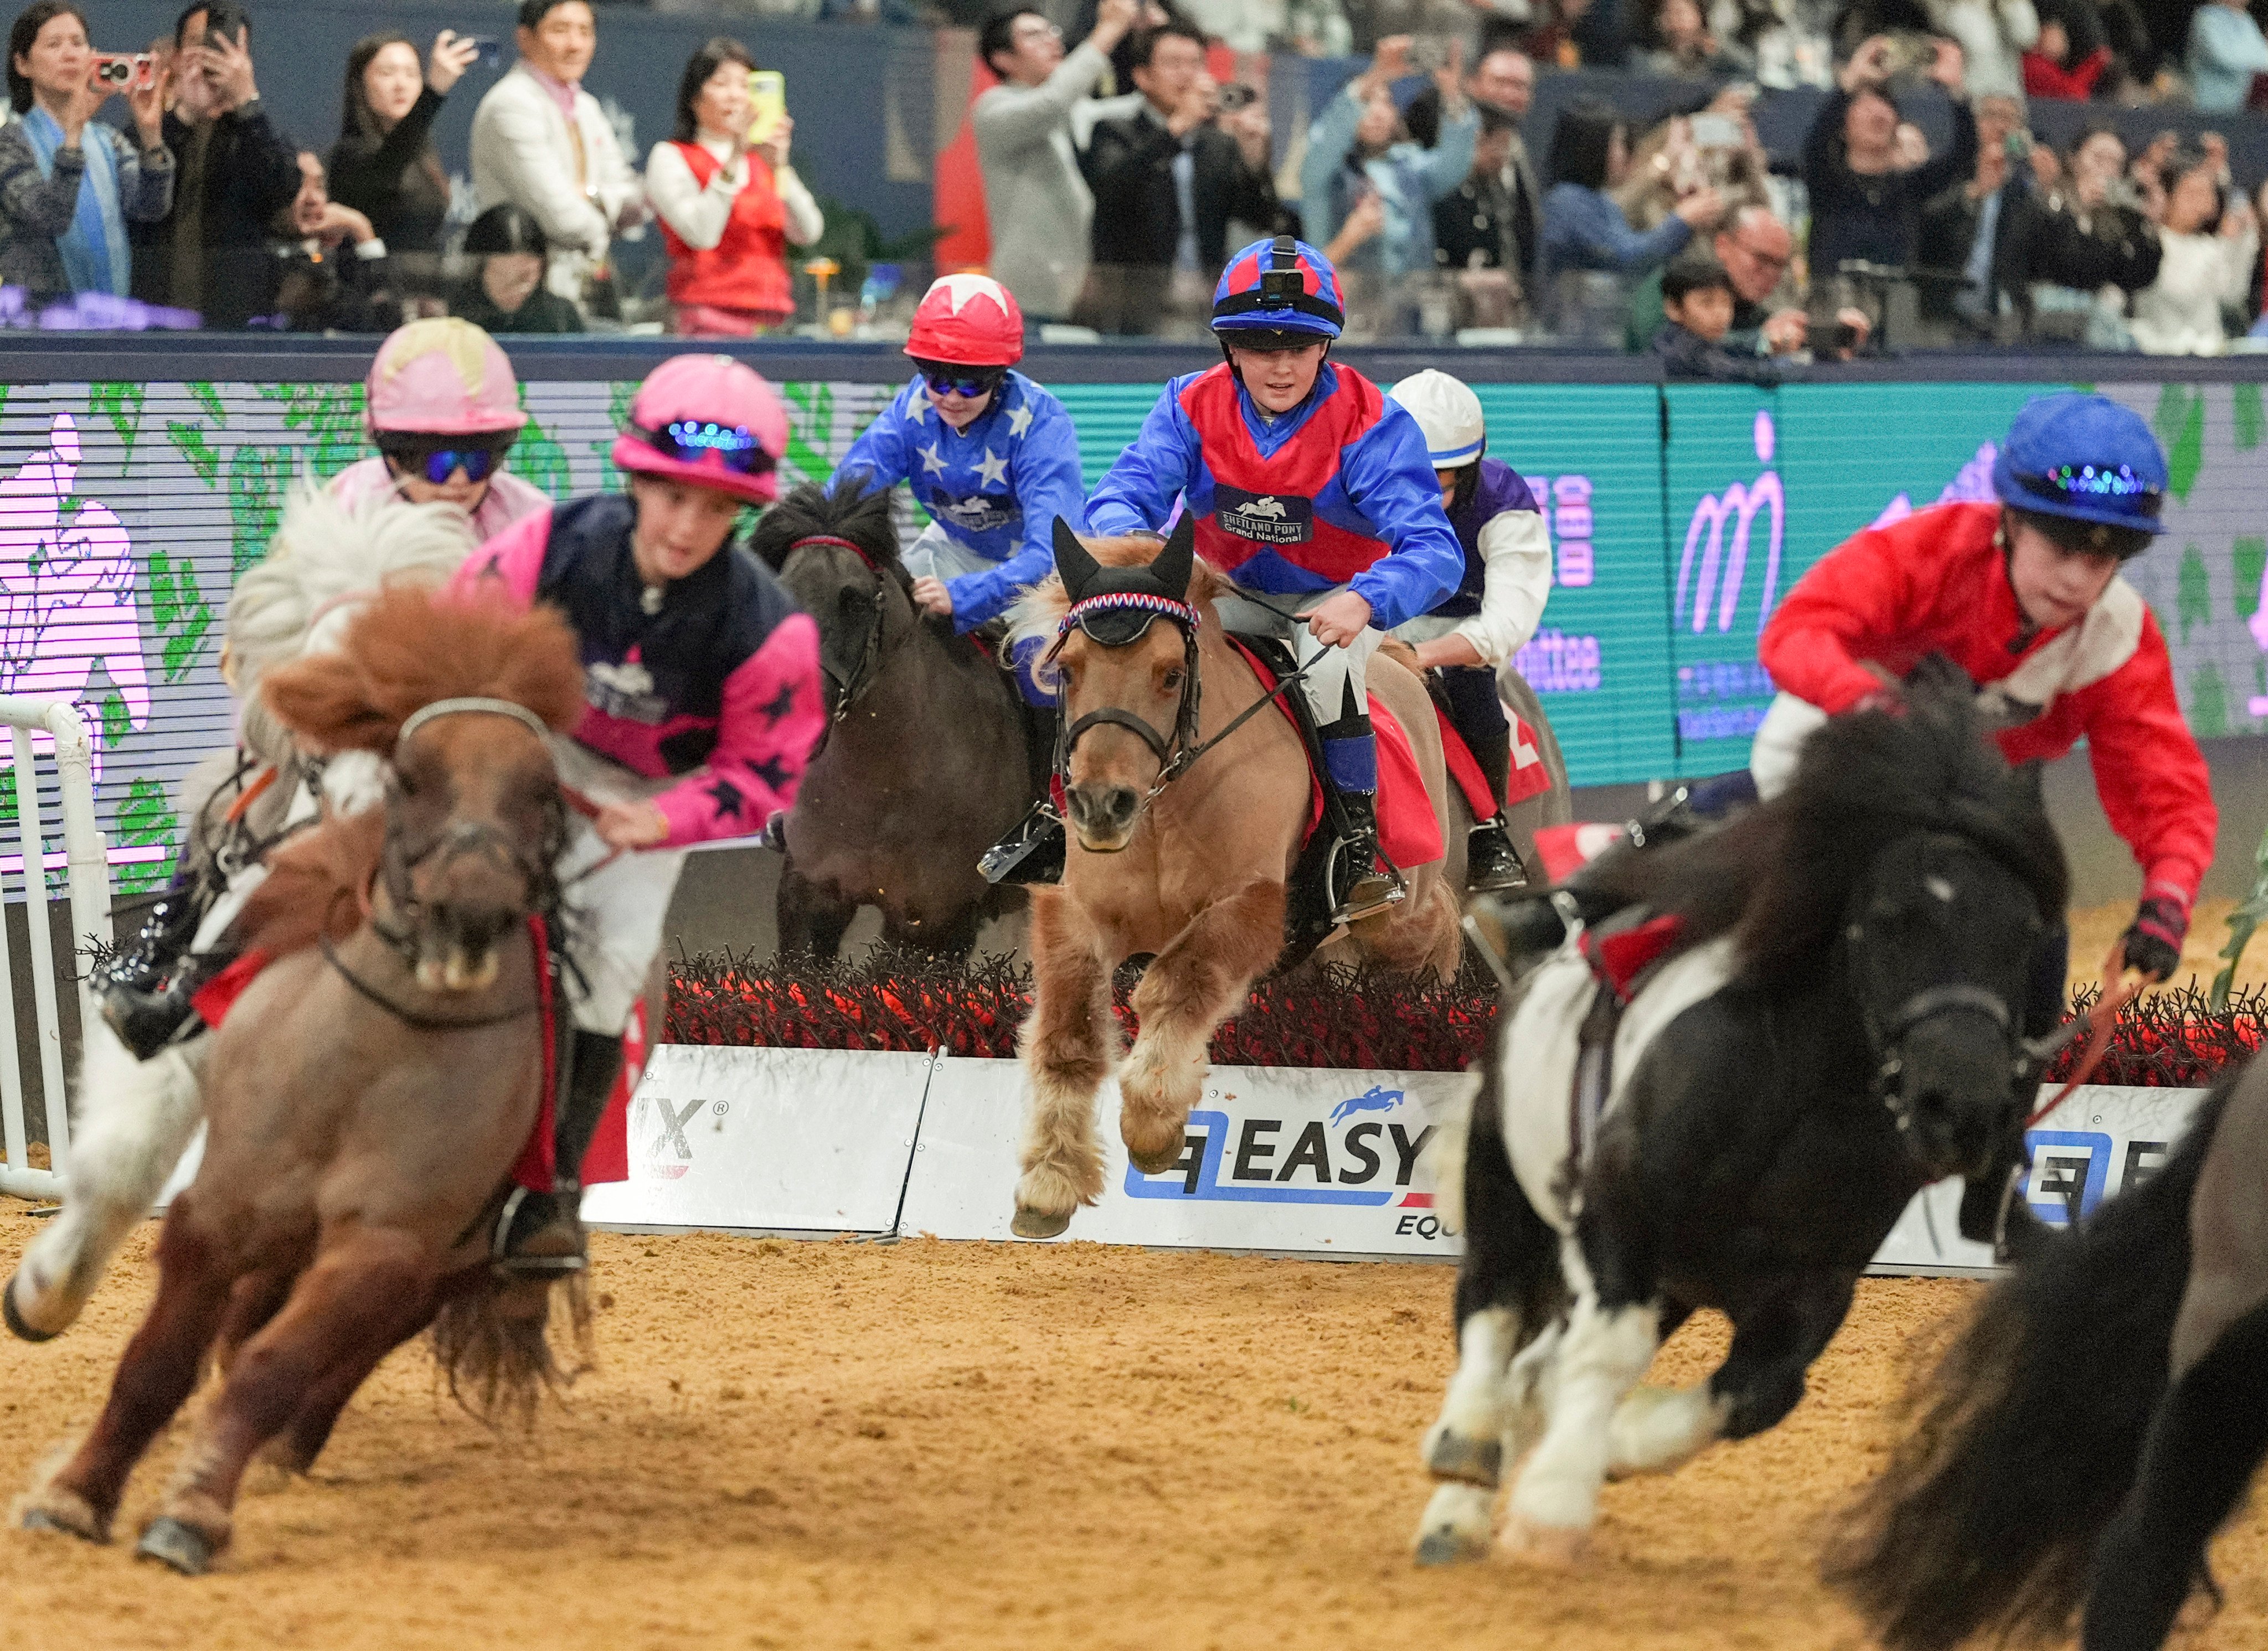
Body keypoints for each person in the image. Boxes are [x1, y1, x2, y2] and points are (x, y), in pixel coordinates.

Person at [450, 354, 824, 1270]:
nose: (688, 526)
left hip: (642, 799)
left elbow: (764, 773)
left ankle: (551, 1200)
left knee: (608, 971)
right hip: (517, 745)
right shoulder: (552, 543)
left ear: (742, 512)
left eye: (715, 508)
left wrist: (661, 821)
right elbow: (460, 628)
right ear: (636, 480)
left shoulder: (769, 630)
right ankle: (189, 985)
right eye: (670, 496)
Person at [1013, 236, 1464, 925]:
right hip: (1222, 594)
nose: (1279, 367)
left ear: (1326, 348)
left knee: (1326, 676)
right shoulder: (1188, 403)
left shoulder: (1372, 422)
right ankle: (1057, 819)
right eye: (1259, 346)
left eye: (1299, 346)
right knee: (1111, 661)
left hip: (1329, 605)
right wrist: (1141, 557)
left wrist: (1365, 598)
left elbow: (1434, 549)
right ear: (1231, 348)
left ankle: (1358, 848)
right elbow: (1123, 494)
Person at [836, 274, 1087, 639]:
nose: (951, 398)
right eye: (937, 378)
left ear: (1000, 374)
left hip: (1042, 577)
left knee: (1038, 668)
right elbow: (848, 490)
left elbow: (1052, 553)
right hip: (952, 551)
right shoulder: (914, 407)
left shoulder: (1043, 424)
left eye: (971, 382)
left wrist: (966, 596)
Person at [1383, 368, 1550, 894]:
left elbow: (1506, 625)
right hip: (1372, 622)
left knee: (1470, 686)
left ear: (1470, 472)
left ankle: (1487, 826)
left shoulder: (1505, 502)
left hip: (1459, 634)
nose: (1416, 503)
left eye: (1435, 487)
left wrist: (1422, 654)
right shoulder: (1355, 482)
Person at [128, 1, 300, 328]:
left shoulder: (254, 130)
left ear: (244, 57)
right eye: (198, 44)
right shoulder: (151, 128)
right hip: (154, 319)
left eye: (222, 46)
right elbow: (134, 199)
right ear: (176, 57)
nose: (209, 56)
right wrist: (184, 117)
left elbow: (283, 190)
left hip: (235, 325)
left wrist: (247, 102)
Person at [470, 0, 643, 319]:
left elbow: (635, 202)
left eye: (585, 32)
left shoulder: (586, 106)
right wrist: (603, 219)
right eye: (560, 30)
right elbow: (562, 218)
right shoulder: (512, 104)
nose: (575, 45)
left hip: (580, 296)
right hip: (520, 299)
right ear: (525, 38)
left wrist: (589, 195)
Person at [971, 0, 1140, 327]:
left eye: (1052, 31)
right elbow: (1053, 101)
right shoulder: (993, 109)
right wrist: (1110, 29)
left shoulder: (1072, 110)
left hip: (1080, 295)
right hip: (1027, 300)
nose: (1052, 40)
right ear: (1003, 58)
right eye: (1034, 35)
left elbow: (1128, 109)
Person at [646, 37, 823, 339]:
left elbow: (808, 232)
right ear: (694, 98)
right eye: (721, 83)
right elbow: (701, 234)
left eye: (745, 85)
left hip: (772, 322)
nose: (735, 96)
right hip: (704, 318)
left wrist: (779, 167)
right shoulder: (671, 156)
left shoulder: (764, 163)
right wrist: (735, 157)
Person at [0, 2, 172, 307]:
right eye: (54, 45)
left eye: (78, 43)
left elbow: (151, 209)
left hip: (110, 320)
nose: (69, 54)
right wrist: (73, 136)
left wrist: (151, 135)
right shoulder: (9, 143)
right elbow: (48, 217)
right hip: (37, 326)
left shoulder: (109, 140)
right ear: (23, 64)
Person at [328, 317, 550, 543]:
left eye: (480, 460)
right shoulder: (341, 517)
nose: (459, 479)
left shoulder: (533, 523)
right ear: (391, 455)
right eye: (436, 463)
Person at [1299, 35, 1478, 289]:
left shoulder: (1409, 167)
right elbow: (1327, 141)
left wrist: (1451, 94)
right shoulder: (1326, 172)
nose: (1376, 112)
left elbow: (1455, 164)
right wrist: (1376, 76)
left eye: (1385, 102)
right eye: (1367, 102)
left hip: (1410, 309)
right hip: (1346, 309)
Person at [1805, 33, 1978, 285]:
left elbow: (1962, 157)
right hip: (1834, 307)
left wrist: (1955, 91)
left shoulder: (1909, 189)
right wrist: (1852, 79)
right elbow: (1817, 142)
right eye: (1864, 106)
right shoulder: (1828, 182)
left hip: (1897, 314)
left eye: (1886, 106)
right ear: (1844, 125)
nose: (1878, 113)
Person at [1535, 97, 1721, 333]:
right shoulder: (1566, 201)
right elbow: (1627, 257)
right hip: (1568, 337)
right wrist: (1682, 221)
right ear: (1594, 148)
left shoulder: (1599, 200)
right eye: (1618, 144)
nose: (1625, 153)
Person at [326, 30, 481, 310]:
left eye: (411, 74)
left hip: (422, 304)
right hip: (368, 307)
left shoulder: (421, 152)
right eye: (387, 73)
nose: (401, 85)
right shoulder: (350, 154)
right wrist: (433, 93)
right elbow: (386, 170)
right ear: (360, 84)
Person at [1078, 23, 1217, 334]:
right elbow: (1110, 188)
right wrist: (1175, 128)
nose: (1186, 74)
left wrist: (1253, 153)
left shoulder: (1217, 141)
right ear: (1143, 76)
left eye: (1195, 64)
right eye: (1173, 64)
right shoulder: (1113, 131)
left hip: (1210, 307)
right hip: (1136, 306)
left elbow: (1258, 215)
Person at [1626, 201, 1827, 355]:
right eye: (1762, 259)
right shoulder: (1676, 279)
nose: (1772, 274)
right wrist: (1761, 341)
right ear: (1723, 246)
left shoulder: (1751, 309)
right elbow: (1655, 343)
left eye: (1780, 265)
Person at [2130, 145, 2257, 357]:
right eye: (2191, 193)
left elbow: (2233, 295)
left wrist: (2240, 244)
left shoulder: (2211, 247)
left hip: (2207, 358)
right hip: (2157, 355)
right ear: (2167, 195)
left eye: (2206, 194)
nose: (2201, 203)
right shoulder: (2148, 242)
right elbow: (2180, 291)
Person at [268, 149, 393, 332]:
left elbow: (387, 326)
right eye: (299, 186)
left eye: (318, 187)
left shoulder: (344, 254)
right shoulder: (253, 252)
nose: (312, 199)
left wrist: (361, 229)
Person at [1652, 251, 1790, 381]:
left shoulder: (1706, 344)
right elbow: (1732, 371)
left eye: (1726, 303)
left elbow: (1734, 350)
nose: (1721, 314)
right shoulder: (1681, 349)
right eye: (1706, 303)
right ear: (1674, 309)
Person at [1466, 45, 1542, 281]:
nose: (1510, 94)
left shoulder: (1518, 150)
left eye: (1520, 86)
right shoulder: (1446, 143)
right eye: (1500, 83)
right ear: (1473, 85)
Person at [451, 203, 583, 334]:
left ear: (541, 270)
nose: (517, 289)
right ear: (478, 271)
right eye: (504, 278)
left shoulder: (560, 317)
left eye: (525, 276)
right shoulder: (453, 319)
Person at [2185, 0, 2268, 113]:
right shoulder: (2207, 17)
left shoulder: (2246, 20)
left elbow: (2264, 55)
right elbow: (2225, 58)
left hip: (2241, 106)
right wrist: (2254, 61)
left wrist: (2255, 60)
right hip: (2210, 106)